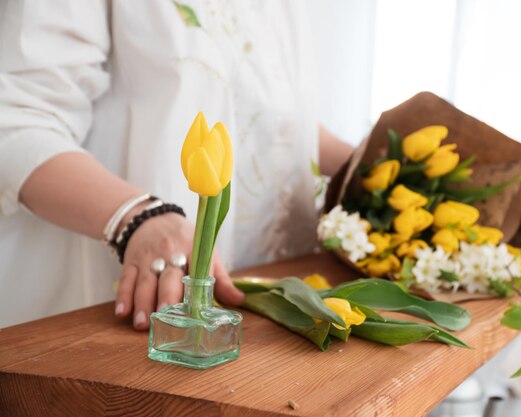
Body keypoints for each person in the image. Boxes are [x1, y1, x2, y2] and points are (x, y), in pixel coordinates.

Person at [0, 0, 353, 329]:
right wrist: (137, 217)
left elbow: (269, 113)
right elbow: (17, 119)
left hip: (269, 302)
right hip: (129, 307)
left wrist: (376, 166)